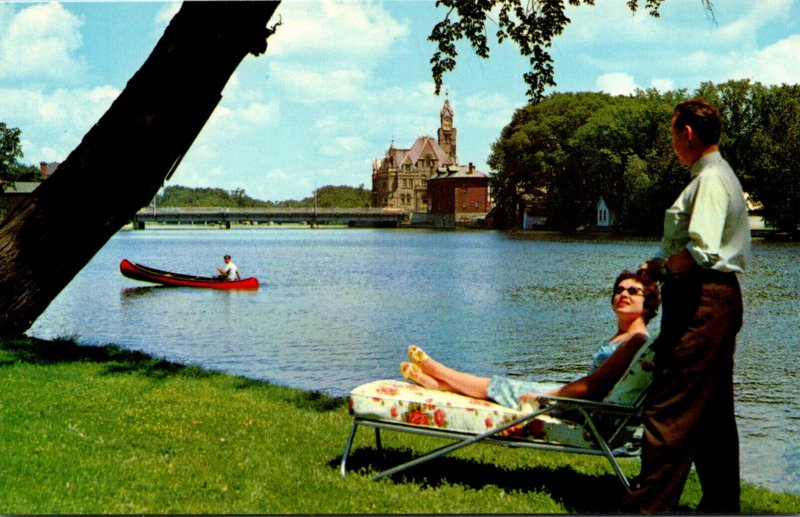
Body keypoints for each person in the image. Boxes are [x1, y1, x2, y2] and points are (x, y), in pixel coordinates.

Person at [628, 99, 752, 513]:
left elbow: (700, 251)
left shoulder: (711, 180)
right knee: (713, 413)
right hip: (712, 301)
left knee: (669, 408)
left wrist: (658, 268)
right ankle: (721, 507)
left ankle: (649, 508)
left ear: (688, 134)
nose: (671, 141)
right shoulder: (715, 175)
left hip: (704, 301)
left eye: (672, 133)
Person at [400, 271, 660, 410]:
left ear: (647, 303)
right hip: (579, 402)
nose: (623, 294)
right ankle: (439, 386)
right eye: (619, 290)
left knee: (503, 385)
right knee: (508, 385)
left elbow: (594, 385)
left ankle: (438, 371)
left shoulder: (636, 339)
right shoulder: (625, 337)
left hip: (580, 408)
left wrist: (550, 395)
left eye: (633, 291)